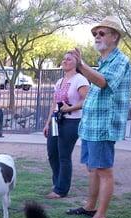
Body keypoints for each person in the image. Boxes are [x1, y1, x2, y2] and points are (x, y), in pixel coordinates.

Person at [68, 16, 131, 218]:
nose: (97, 36)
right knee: (92, 169)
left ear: (115, 37)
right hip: (91, 125)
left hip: (104, 126)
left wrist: (81, 65)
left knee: (104, 170)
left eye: (102, 33)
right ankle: (90, 207)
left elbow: (103, 83)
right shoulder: (104, 62)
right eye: (95, 33)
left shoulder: (120, 61)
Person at [43, 52, 90, 199]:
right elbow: (54, 104)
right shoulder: (59, 81)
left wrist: (69, 109)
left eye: (69, 59)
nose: (65, 61)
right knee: (52, 153)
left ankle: (61, 190)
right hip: (56, 121)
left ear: (76, 63)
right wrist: (47, 123)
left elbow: (86, 101)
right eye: (64, 58)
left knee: (64, 155)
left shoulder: (80, 80)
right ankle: (57, 183)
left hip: (72, 121)